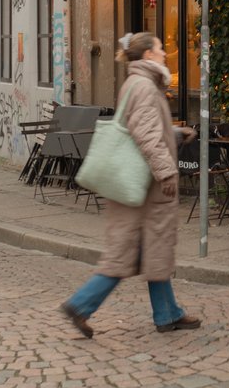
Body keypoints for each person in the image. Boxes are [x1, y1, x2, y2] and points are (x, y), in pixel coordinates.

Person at [61, 33, 201, 337]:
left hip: (136, 182)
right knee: (127, 253)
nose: (165, 54)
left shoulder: (136, 83)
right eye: (161, 49)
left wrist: (174, 134)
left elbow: (143, 127)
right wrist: (166, 172)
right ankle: (81, 303)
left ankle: (168, 313)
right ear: (149, 55)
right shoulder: (145, 87)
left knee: (152, 248)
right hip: (143, 186)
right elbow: (145, 132)